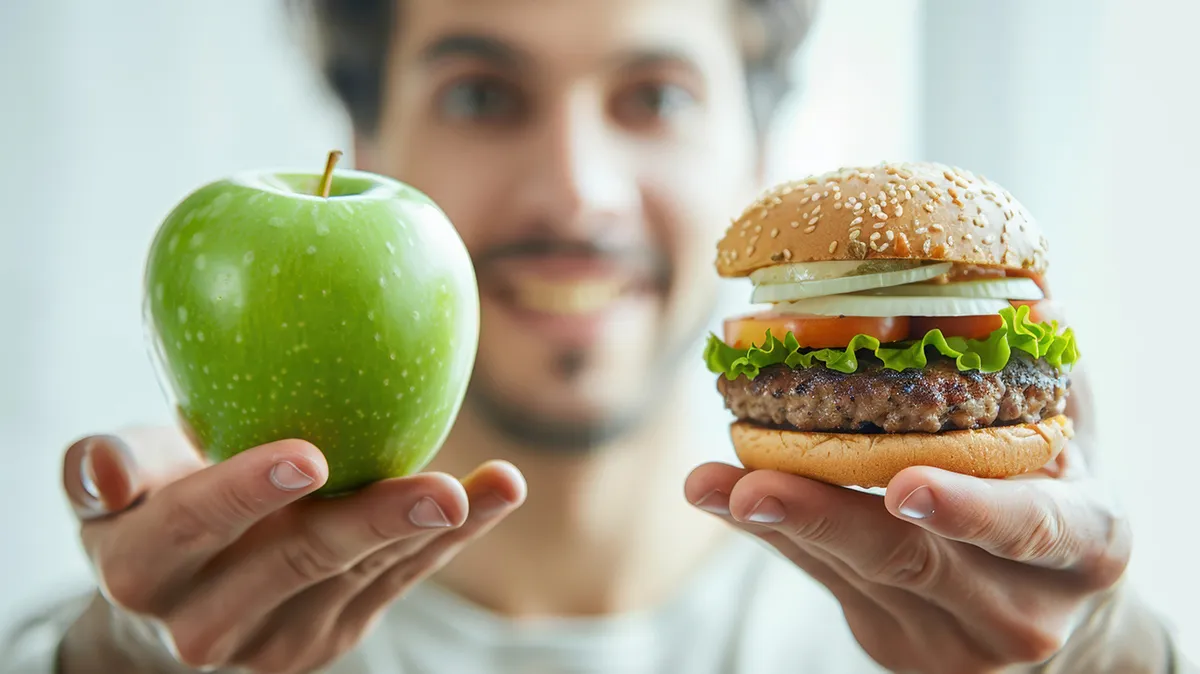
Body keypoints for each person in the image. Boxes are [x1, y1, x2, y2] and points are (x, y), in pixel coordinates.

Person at [2, 1, 1191, 672]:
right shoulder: (196, 628)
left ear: (758, 154)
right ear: (362, 144)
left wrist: (1100, 653)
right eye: (482, 92)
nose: (576, 192)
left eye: (656, 97)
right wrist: (115, 659)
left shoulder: (956, 630)